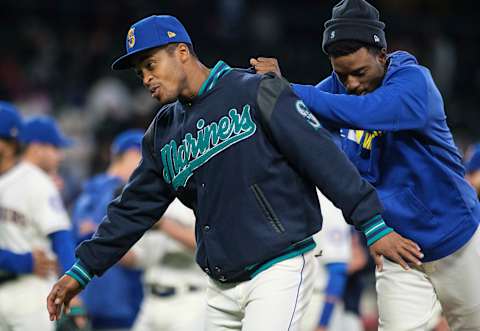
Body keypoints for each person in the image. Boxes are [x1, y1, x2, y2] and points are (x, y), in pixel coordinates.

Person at [47, 15, 422, 331]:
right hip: (219, 286)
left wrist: (373, 225)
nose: (145, 78)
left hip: (278, 268)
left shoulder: (254, 90)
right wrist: (81, 271)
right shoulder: (162, 133)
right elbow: (131, 210)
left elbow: (321, 154)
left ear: (181, 53)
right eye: (139, 71)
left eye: (151, 65)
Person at [251, 0, 480, 329]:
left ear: (382, 55)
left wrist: (286, 90)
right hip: (399, 250)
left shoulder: (415, 82)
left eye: (359, 72)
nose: (352, 84)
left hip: (456, 240)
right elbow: (296, 121)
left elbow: (368, 112)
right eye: (341, 75)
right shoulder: (335, 91)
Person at [0, 111, 81, 331]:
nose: (60, 156)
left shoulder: (36, 181)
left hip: (29, 290)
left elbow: (61, 238)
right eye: (55, 148)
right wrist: (20, 261)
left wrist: (72, 287)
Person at [71, 129, 146, 331]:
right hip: (123, 300)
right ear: (131, 155)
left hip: (90, 298)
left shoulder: (86, 193)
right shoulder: (124, 193)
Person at [132, 198, 206, 331]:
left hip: (191, 301)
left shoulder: (199, 192)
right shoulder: (153, 196)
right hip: (150, 301)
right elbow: (140, 258)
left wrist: (163, 224)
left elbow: (209, 244)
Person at [301, 190, 352, 331]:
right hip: (288, 299)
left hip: (316, 304)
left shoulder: (329, 205)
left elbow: (338, 270)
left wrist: (323, 322)